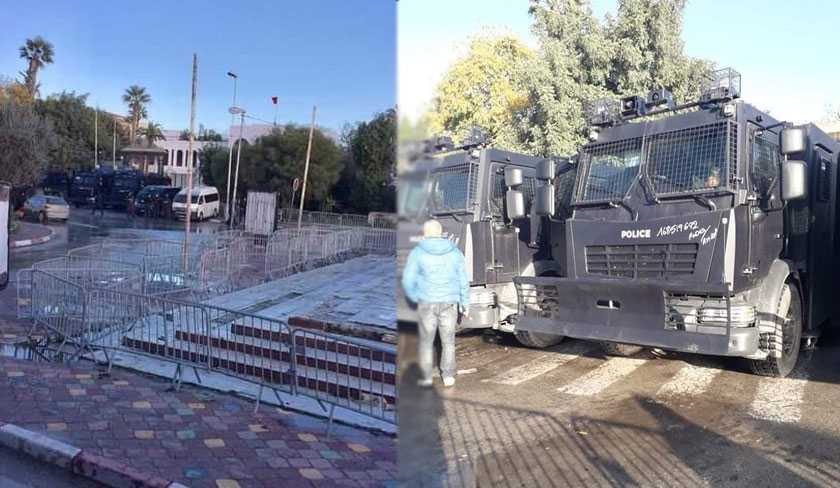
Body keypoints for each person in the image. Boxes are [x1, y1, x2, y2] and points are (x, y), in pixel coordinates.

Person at [402, 219, 470, 387]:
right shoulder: (454, 251)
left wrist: (413, 297)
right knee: (449, 342)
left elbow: (408, 280)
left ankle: (425, 376)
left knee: (426, 341)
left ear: (425, 234)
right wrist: (465, 303)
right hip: (449, 302)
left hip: (426, 302)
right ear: (441, 233)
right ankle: (448, 375)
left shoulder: (417, 252)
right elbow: (463, 279)